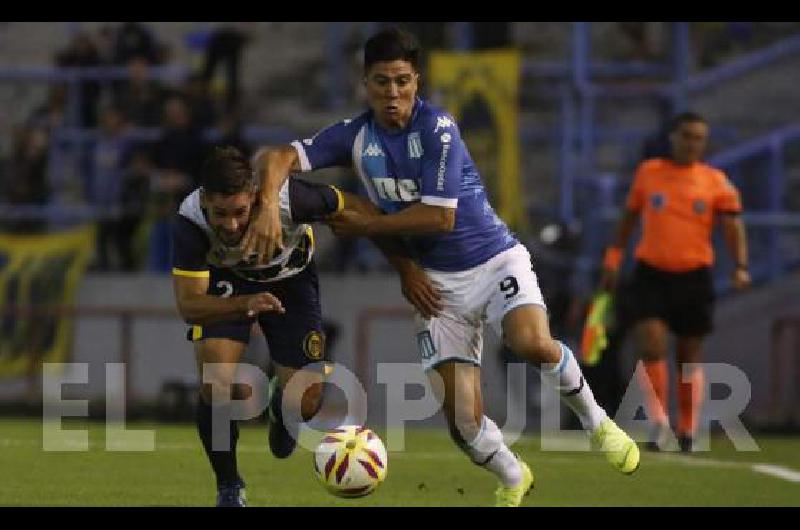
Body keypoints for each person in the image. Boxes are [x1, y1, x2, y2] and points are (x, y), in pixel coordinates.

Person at [246, 27, 640, 507]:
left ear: (417, 81)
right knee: (463, 421)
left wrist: (365, 226)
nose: (393, 93)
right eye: (381, 82)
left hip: (494, 260)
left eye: (402, 81)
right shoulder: (354, 136)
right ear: (364, 84)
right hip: (436, 287)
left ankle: (598, 423)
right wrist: (268, 204)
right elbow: (278, 156)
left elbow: (440, 217)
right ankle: (514, 476)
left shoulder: (438, 129)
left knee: (531, 343)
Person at [171, 146, 355, 506]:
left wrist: (385, 236)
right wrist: (244, 304)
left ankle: (281, 408)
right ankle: (229, 487)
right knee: (216, 380)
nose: (231, 225)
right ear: (205, 200)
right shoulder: (191, 220)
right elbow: (190, 306)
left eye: (239, 212)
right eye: (220, 214)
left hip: (292, 281)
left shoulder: (292, 200)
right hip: (231, 282)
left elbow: (351, 206)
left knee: (306, 400)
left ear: (255, 196)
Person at [599, 111, 751, 453]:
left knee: (688, 353)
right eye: (686, 136)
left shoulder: (715, 181)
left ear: (704, 142)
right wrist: (612, 259)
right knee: (651, 343)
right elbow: (628, 218)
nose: (691, 143)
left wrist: (740, 265)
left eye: (698, 137)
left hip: (693, 276)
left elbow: (732, 225)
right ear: (673, 138)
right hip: (651, 273)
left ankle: (688, 429)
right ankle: (659, 426)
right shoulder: (650, 173)